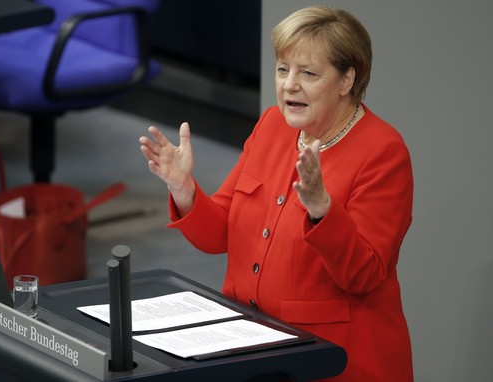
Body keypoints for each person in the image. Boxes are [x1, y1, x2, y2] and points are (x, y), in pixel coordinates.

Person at [139, 6, 413, 381]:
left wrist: (322, 209)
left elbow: (362, 276)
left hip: (334, 360)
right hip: (250, 345)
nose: (289, 84)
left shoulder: (382, 151)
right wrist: (183, 187)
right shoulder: (272, 125)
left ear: (347, 79)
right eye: (283, 69)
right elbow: (221, 233)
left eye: (308, 73)